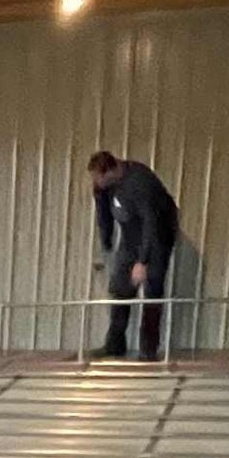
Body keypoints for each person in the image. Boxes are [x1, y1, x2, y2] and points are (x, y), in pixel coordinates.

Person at [88, 150, 180, 360]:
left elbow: (151, 222)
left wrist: (143, 261)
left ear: (111, 171)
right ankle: (115, 344)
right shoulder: (104, 187)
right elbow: (104, 216)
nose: (97, 183)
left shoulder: (140, 182)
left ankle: (148, 349)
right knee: (120, 288)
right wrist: (105, 247)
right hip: (131, 237)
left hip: (157, 237)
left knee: (152, 291)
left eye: (99, 179)